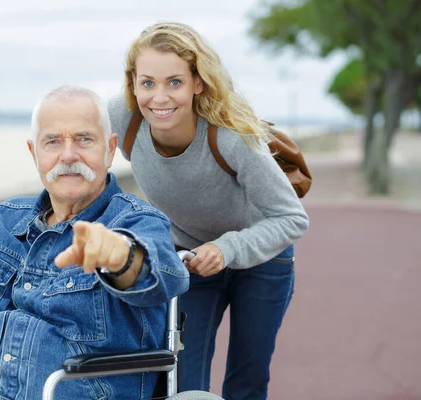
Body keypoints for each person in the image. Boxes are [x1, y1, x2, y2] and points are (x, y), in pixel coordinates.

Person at [0, 85, 190, 400]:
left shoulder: (135, 222)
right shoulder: (6, 221)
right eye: (53, 141)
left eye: (84, 139)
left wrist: (121, 258)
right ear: (35, 153)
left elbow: (165, 275)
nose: (68, 154)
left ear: (110, 150)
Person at [107, 22, 310, 400]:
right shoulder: (124, 117)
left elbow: (292, 218)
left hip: (262, 258)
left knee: (246, 384)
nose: (160, 98)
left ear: (197, 83)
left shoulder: (231, 134)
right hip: (190, 259)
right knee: (181, 382)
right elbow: (91, 169)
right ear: (133, 83)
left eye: (175, 82)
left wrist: (227, 249)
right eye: (147, 82)